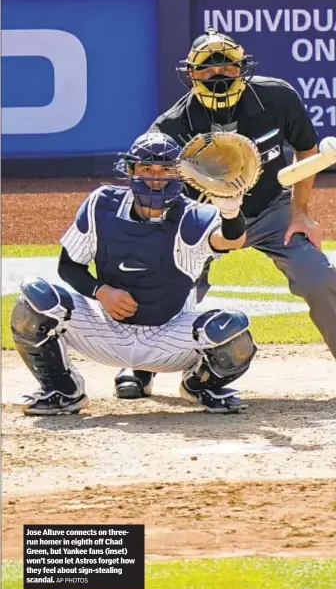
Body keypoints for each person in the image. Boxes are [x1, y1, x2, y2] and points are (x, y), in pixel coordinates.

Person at [114, 26, 336, 400]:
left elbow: (307, 151)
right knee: (166, 281)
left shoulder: (277, 97)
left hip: (270, 209)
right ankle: (141, 365)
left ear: (242, 68)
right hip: (203, 217)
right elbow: (155, 180)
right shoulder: (171, 125)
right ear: (191, 74)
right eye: (207, 68)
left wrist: (301, 213)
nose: (218, 74)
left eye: (227, 66)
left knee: (318, 275)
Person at [11, 131, 257, 416]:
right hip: (104, 331)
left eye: (165, 170)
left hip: (169, 338)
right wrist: (101, 292)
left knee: (234, 332)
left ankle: (199, 385)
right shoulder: (101, 204)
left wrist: (231, 212)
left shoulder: (194, 215)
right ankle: (63, 390)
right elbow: (68, 265)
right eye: (146, 169)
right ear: (130, 170)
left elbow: (231, 240)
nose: (156, 177)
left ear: (180, 173)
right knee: (33, 300)